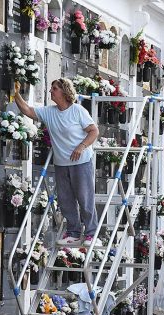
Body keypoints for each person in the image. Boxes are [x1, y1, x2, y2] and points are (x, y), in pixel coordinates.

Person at [14, 78, 101, 246]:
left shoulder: (77, 111)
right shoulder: (49, 112)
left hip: (81, 162)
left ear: (64, 92)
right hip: (62, 163)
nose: (51, 91)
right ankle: (74, 232)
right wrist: (15, 92)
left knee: (85, 197)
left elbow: (94, 131)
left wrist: (81, 146)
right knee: (65, 200)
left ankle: (91, 233)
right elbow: (27, 110)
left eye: (54, 88)